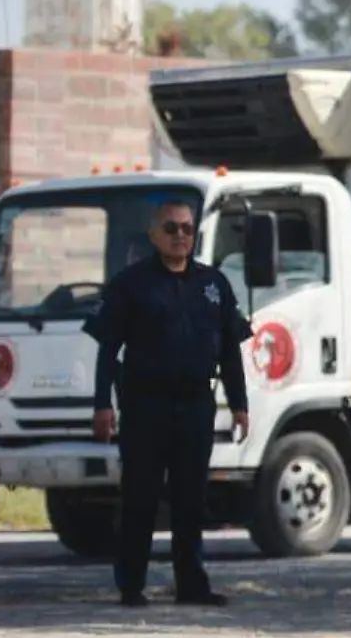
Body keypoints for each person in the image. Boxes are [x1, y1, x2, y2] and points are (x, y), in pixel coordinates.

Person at [85, 197, 251, 608]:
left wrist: (240, 404)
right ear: (154, 235)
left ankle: (191, 585)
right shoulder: (131, 283)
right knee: (140, 498)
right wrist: (101, 405)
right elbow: (108, 349)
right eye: (172, 228)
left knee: (190, 500)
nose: (181, 236)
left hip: (195, 406)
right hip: (145, 407)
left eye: (187, 229)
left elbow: (230, 350)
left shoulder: (214, 285)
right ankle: (131, 586)